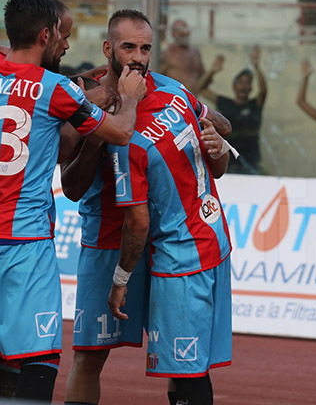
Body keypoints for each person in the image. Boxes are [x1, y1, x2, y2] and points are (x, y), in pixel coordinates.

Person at [0, 0, 147, 402]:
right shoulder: (54, 89)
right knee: (40, 360)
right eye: (63, 34)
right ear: (45, 35)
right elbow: (121, 132)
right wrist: (128, 97)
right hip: (22, 244)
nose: (66, 43)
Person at [62, 9, 231, 405]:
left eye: (145, 48)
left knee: (179, 358)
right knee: (89, 356)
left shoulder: (171, 88)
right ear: (108, 49)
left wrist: (217, 137)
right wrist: (100, 132)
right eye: (128, 47)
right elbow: (70, 187)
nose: (138, 57)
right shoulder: (83, 96)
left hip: (165, 245)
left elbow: (219, 125)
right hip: (108, 240)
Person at [107, 82, 232, 405]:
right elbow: (221, 148)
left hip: (182, 260)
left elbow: (138, 223)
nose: (137, 59)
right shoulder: (176, 94)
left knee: (188, 370)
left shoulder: (126, 140)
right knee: (187, 366)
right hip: (215, 241)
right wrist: (221, 147)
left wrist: (120, 279)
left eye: (142, 53)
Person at [198, 46, 267, 174]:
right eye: (240, 82)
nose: (244, 86)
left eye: (247, 83)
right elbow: (201, 89)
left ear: (251, 88)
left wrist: (257, 67)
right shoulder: (226, 104)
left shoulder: (254, 105)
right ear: (234, 86)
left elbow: (263, 91)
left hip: (252, 164)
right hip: (230, 163)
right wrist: (212, 71)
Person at [159, 20, 205, 93]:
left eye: (184, 30)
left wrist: (212, 71)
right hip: (174, 97)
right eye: (179, 31)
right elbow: (157, 78)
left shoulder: (195, 52)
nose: (183, 33)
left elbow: (203, 80)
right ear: (173, 34)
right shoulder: (167, 54)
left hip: (193, 97)